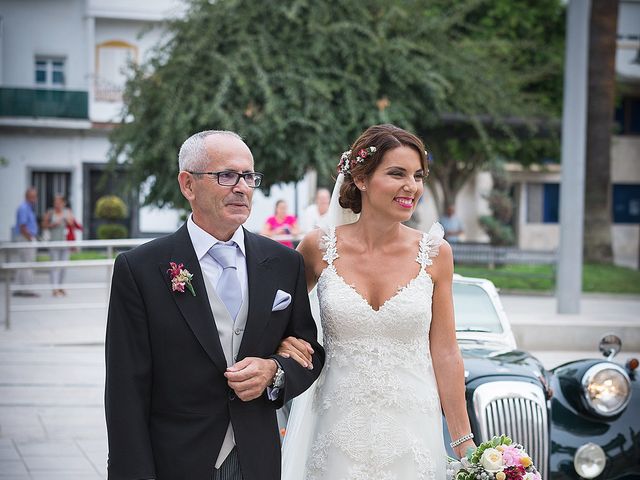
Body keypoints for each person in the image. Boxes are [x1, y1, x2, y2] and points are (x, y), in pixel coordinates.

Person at [104, 130, 324, 480]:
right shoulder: (140, 268)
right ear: (188, 185)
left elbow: (308, 351)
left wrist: (275, 370)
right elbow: (125, 388)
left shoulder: (284, 263)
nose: (242, 187)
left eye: (249, 176)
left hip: (258, 458)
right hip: (176, 460)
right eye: (226, 175)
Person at [279, 124, 475, 479]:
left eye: (418, 176)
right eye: (397, 173)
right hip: (335, 428)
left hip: (412, 429)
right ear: (362, 179)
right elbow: (278, 318)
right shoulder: (317, 248)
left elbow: (445, 352)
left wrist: (464, 442)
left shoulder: (436, 254)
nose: (411, 186)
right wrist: (284, 345)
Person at [42, 194, 79, 296]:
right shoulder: (50, 212)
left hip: (65, 243)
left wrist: (67, 220)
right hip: (54, 242)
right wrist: (52, 224)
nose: (57, 204)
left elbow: (73, 224)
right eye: (55, 202)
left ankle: (61, 286)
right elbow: (43, 225)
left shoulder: (67, 212)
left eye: (59, 202)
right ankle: (54, 288)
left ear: (63, 203)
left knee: (63, 266)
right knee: (54, 265)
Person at [12, 187, 39, 297]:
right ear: (28, 197)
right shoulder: (24, 208)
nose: (35, 199)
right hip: (25, 238)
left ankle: (18, 288)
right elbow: (23, 226)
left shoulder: (28, 208)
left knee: (22, 263)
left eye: (35, 196)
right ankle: (27, 290)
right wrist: (30, 239)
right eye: (33, 197)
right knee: (28, 263)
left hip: (26, 237)